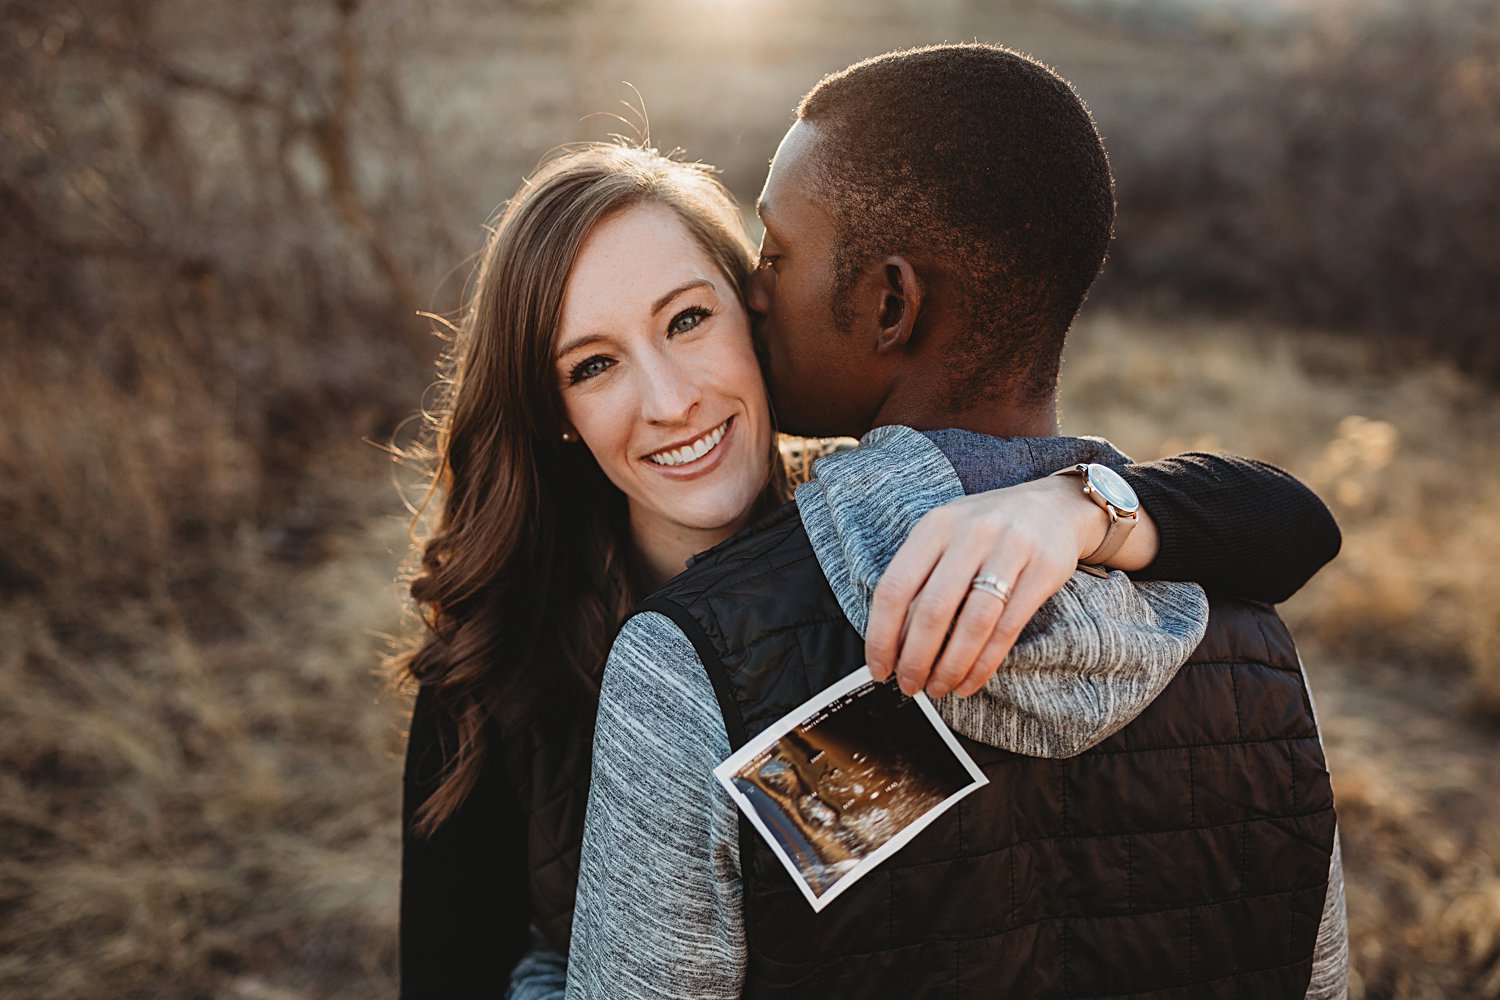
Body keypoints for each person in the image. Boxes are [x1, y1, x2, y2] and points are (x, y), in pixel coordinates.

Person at [395, 143, 1341, 996]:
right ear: (554, 407)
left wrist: (1070, 507)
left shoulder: (886, 547)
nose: (670, 400)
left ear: (756, 317)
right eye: (593, 365)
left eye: (687, 319)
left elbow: (1290, 523)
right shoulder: (492, 662)